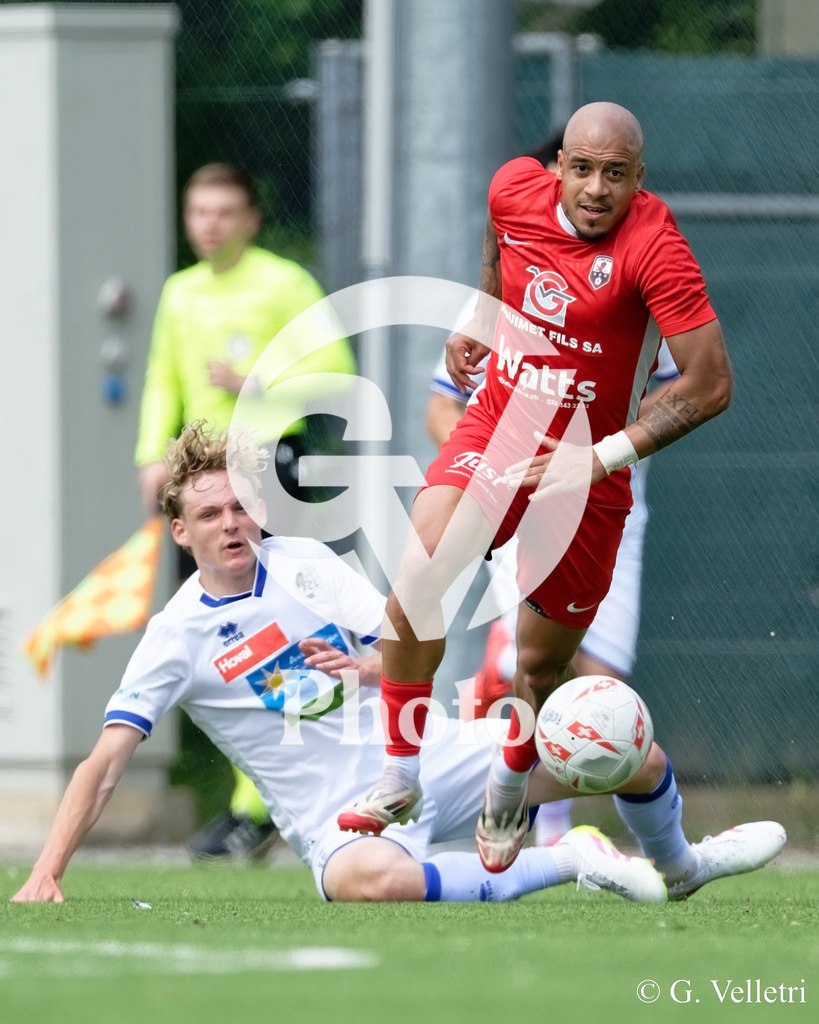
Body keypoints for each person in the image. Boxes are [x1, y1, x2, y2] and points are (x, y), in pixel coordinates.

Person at [337, 101, 786, 892]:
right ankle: (399, 774)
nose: (594, 188)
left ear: (637, 179)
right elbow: (498, 246)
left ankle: (511, 781)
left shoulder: (655, 246)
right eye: (581, 168)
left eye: (615, 174)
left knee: (543, 672)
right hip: (497, 429)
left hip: (586, 475)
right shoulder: (512, 187)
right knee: (417, 581)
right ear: (556, 169)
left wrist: (595, 458)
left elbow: (711, 385)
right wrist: (481, 315)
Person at [10, 423, 670, 907]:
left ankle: (682, 866)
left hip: (421, 757)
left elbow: (405, 653)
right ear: (181, 532)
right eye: (209, 514)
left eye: (240, 507)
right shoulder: (175, 636)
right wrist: (48, 870)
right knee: (374, 883)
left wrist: (365, 670)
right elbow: (104, 765)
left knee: (625, 754)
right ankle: (570, 858)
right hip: (336, 817)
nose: (230, 524)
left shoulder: (304, 562)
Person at [134, 162, 357, 859]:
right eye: (199, 211)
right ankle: (252, 803)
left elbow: (340, 376)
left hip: (268, 477)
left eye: (225, 211)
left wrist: (259, 384)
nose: (210, 224)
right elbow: (160, 378)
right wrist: (150, 455)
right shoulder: (179, 292)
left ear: (251, 218)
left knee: (283, 625)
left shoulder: (284, 284)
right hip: (201, 490)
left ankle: (269, 800)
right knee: (223, 635)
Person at [426, 339, 681, 844]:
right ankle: (546, 827)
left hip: (613, 509)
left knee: (601, 689)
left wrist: (606, 445)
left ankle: (505, 679)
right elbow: (442, 405)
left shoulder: (646, 281)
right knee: (548, 671)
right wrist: (494, 470)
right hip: (526, 505)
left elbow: (690, 385)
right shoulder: (508, 283)